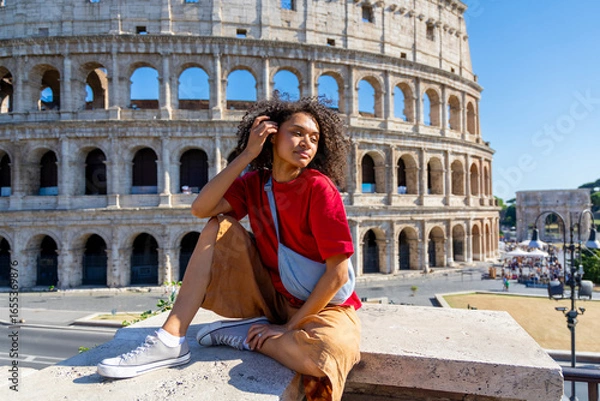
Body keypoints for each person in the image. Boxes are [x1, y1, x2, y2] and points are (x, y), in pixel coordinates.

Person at [97, 97, 362, 401]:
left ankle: (250, 337)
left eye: (314, 138)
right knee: (216, 225)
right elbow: (201, 208)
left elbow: (339, 275)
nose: (307, 143)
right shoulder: (254, 184)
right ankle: (170, 338)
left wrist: (289, 327)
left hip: (324, 306)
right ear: (271, 136)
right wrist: (248, 153)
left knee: (325, 354)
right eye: (297, 133)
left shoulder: (319, 187)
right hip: (272, 296)